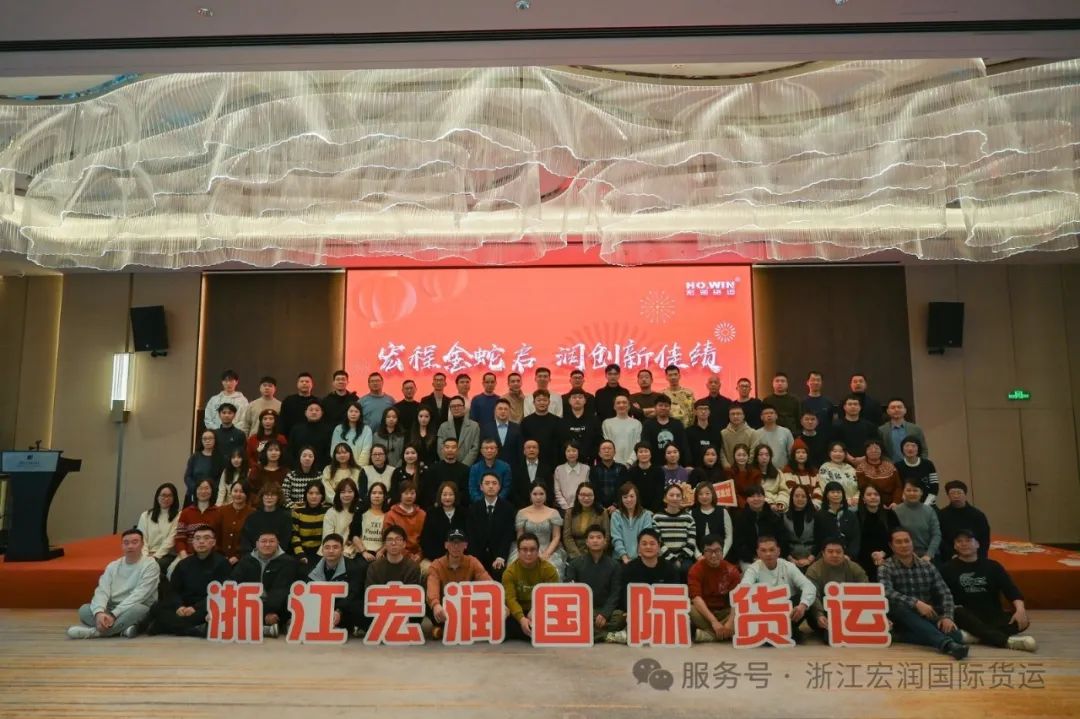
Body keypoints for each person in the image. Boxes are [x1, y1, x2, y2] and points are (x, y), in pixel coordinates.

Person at [879, 527, 967, 659]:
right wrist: (915, 603)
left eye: (907, 541)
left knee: (956, 636)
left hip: (926, 614)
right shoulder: (886, 567)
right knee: (901, 609)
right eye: (899, 542)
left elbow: (945, 592)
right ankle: (947, 645)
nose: (904, 545)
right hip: (900, 616)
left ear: (912, 542)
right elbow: (886, 591)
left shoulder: (927, 566)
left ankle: (900, 636)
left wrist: (947, 617)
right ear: (891, 546)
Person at [941, 530, 1036, 652]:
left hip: (991, 615)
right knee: (957, 611)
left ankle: (976, 636)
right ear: (955, 546)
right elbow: (941, 596)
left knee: (1023, 621)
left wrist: (1020, 610)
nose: (964, 544)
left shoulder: (993, 566)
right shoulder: (947, 568)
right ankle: (1005, 641)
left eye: (968, 540)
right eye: (959, 541)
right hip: (966, 615)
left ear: (977, 544)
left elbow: (1011, 590)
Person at [67, 529, 160, 639]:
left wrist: (114, 614)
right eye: (126, 543)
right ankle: (122, 628)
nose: (130, 546)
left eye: (135, 542)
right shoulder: (113, 566)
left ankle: (95, 632)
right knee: (84, 610)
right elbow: (102, 590)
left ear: (142, 544)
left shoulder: (151, 565)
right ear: (122, 546)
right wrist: (99, 613)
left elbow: (140, 595)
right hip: (111, 607)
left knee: (139, 610)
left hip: (136, 606)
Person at [147, 524, 230, 637]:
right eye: (197, 538)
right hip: (183, 607)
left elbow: (221, 593)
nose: (201, 542)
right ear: (192, 542)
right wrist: (179, 606)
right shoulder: (184, 564)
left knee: (216, 612)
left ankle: (165, 626)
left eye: (206, 538)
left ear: (213, 542)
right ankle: (195, 630)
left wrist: (195, 608)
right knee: (156, 607)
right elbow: (173, 590)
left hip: (205, 607)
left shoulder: (222, 563)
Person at [604, 528, 681, 644]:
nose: (648, 547)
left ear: (659, 546)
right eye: (644, 544)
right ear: (638, 547)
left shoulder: (669, 568)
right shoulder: (629, 568)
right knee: (617, 618)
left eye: (652, 543)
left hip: (661, 613)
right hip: (636, 613)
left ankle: (630, 633)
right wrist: (630, 611)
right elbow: (624, 595)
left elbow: (675, 594)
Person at [740, 535, 817, 637]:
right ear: (758, 553)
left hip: (787, 611)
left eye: (772, 550)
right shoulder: (753, 569)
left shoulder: (788, 566)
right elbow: (744, 588)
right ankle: (787, 632)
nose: (768, 554)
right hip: (764, 612)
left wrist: (803, 606)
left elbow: (809, 586)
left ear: (778, 551)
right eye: (763, 550)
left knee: (804, 600)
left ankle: (785, 631)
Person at [230, 530, 300, 638]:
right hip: (250, 603)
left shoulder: (288, 562)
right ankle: (265, 627)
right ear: (257, 544)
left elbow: (280, 591)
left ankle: (264, 625)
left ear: (278, 543)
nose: (267, 544)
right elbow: (234, 584)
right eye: (263, 541)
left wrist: (269, 611)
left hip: (276, 605)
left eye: (271, 541)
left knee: (287, 605)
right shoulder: (246, 560)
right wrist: (263, 614)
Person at [426, 528, 492, 639]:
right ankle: (443, 626)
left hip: (466, 607)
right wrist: (435, 604)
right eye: (452, 543)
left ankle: (447, 629)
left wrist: (500, 602)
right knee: (428, 600)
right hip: (444, 608)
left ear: (465, 545)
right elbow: (432, 587)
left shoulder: (472, 562)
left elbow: (487, 582)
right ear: (446, 545)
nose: (456, 547)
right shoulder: (436, 565)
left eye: (460, 543)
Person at [805, 537, 870, 641]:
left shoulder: (854, 568)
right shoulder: (814, 570)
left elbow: (867, 590)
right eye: (830, 552)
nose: (835, 555)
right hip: (824, 612)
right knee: (831, 637)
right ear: (823, 553)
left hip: (852, 612)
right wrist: (819, 615)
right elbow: (813, 595)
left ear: (844, 553)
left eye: (838, 552)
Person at [564, 524, 621, 639]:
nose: (595, 540)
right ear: (587, 542)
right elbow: (569, 589)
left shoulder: (614, 565)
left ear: (604, 541)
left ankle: (588, 632)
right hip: (583, 610)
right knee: (569, 617)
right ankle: (606, 635)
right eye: (591, 537)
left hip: (603, 609)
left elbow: (615, 593)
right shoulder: (575, 563)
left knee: (620, 617)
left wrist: (605, 613)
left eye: (599, 537)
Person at [306, 533, 368, 635]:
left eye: (335, 547)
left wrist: (339, 610)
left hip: (344, 608)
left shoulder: (354, 567)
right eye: (327, 547)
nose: (331, 551)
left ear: (342, 549)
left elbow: (354, 593)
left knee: (359, 607)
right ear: (322, 550)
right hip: (320, 608)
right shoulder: (313, 567)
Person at [503, 533, 560, 641]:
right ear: (518, 551)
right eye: (524, 550)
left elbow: (553, 597)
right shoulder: (509, 572)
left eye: (532, 549)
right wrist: (521, 619)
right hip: (518, 610)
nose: (528, 553)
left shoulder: (549, 570)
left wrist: (536, 610)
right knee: (502, 620)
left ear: (538, 551)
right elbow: (510, 599)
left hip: (539, 609)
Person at [687, 533, 741, 643]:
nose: (713, 555)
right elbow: (696, 599)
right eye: (709, 551)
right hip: (704, 613)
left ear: (722, 551)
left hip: (724, 612)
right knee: (687, 608)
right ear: (703, 552)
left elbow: (737, 600)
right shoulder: (695, 569)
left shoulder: (732, 570)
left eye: (717, 550)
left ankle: (709, 635)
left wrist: (730, 622)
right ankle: (725, 634)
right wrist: (714, 622)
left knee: (743, 612)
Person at [509, 482, 567, 578]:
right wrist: (526, 551)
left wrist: (546, 554)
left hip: (548, 549)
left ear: (546, 495)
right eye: (535, 494)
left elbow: (556, 536)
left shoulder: (553, 513)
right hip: (526, 549)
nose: (538, 497)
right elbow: (520, 536)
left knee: (553, 569)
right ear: (530, 495)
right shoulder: (522, 513)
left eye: (541, 494)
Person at [465, 472, 517, 580]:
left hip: (499, 557)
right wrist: (475, 559)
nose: (491, 486)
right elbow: (471, 535)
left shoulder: (508, 508)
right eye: (487, 483)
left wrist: (501, 556)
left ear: (499, 486)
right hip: (478, 556)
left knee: (500, 572)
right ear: (481, 487)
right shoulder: (473, 509)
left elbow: (508, 535)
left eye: (494, 483)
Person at [728, 485, 789, 569]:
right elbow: (738, 544)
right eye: (752, 496)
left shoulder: (774, 517)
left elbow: (782, 539)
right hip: (750, 559)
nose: (756, 499)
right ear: (747, 499)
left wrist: (773, 555)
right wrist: (753, 558)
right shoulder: (740, 518)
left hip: (774, 556)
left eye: (759, 496)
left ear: (764, 498)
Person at [855, 483, 900, 581]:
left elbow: (896, 537)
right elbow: (856, 542)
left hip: (889, 558)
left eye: (876, 494)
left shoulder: (890, 515)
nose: (873, 497)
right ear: (863, 498)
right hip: (863, 559)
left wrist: (884, 553)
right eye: (869, 494)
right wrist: (872, 555)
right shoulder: (856, 517)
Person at [653, 484, 698, 580]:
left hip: (684, 558)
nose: (675, 498)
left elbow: (691, 543)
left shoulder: (688, 518)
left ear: (682, 499)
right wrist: (672, 559)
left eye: (678, 496)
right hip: (663, 557)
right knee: (667, 569)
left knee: (686, 569)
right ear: (665, 498)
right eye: (671, 495)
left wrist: (680, 559)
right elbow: (657, 542)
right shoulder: (657, 518)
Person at [938, 480, 992, 562]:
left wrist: (980, 557)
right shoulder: (942, 515)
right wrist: (951, 554)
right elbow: (939, 538)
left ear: (965, 494)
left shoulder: (977, 515)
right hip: (950, 557)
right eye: (952, 493)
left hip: (975, 557)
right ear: (948, 495)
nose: (956, 496)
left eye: (959, 493)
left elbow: (984, 538)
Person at [893, 478, 942, 561]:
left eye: (915, 490)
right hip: (904, 555)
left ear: (921, 492)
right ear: (903, 492)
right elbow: (894, 536)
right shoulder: (896, 511)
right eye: (908, 490)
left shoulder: (929, 510)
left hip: (928, 554)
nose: (912, 493)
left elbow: (936, 534)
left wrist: (929, 555)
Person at [419, 482, 468, 563]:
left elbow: (468, 538)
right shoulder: (432, 513)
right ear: (440, 496)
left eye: (451, 494)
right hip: (436, 558)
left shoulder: (463, 513)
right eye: (444, 495)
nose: (447, 498)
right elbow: (426, 540)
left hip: (461, 557)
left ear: (456, 496)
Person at [174, 478, 219, 565]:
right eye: (200, 488)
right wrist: (184, 557)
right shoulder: (186, 512)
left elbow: (220, 539)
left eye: (206, 488)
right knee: (173, 569)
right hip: (187, 555)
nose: (203, 491)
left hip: (211, 556)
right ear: (195, 491)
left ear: (212, 491)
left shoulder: (219, 512)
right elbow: (180, 539)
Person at [136, 483, 180, 572]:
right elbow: (141, 538)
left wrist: (155, 557)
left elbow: (171, 540)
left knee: (153, 567)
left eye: (170, 496)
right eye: (163, 495)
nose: (166, 498)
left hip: (166, 555)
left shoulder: (178, 516)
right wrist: (145, 556)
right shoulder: (146, 515)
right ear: (157, 497)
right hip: (145, 553)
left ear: (174, 498)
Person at [813, 481, 861, 562]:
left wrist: (849, 556)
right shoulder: (819, 515)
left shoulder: (850, 515)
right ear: (826, 495)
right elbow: (818, 539)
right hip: (826, 557)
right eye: (832, 492)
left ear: (843, 494)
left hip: (848, 557)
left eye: (838, 492)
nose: (836, 495)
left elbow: (855, 538)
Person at [561, 481, 610, 559]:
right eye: (583, 495)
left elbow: (606, 537)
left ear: (594, 496)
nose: (586, 498)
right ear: (577, 496)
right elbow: (567, 537)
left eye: (590, 495)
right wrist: (578, 556)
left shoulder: (602, 512)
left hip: (597, 553)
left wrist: (596, 554)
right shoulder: (570, 513)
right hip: (575, 554)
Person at [384, 480, 427, 565]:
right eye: (406, 493)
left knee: (427, 568)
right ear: (400, 495)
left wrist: (420, 554)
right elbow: (389, 539)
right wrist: (408, 555)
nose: (409, 496)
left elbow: (427, 538)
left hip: (420, 555)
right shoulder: (391, 515)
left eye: (412, 493)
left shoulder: (422, 514)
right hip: (397, 554)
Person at [240, 482, 292, 553]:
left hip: (278, 555)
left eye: (273, 495)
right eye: (266, 495)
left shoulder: (286, 517)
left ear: (278, 498)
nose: (269, 497)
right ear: (262, 497)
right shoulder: (252, 517)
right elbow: (246, 540)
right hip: (255, 555)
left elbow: (285, 542)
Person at [610, 483, 654, 564]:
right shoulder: (616, 515)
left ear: (637, 497)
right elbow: (616, 538)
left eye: (632, 496)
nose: (629, 500)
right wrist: (624, 557)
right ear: (621, 499)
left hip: (641, 559)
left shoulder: (646, 515)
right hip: (620, 559)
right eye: (625, 497)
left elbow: (645, 538)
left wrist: (639, 557)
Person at [642, 395, 691, 466]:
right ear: (655, 407)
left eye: (666, 406)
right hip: (654, 465)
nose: (663, 408)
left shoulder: (677, 424)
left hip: (675, 464)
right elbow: (645, 445)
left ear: (670, 408)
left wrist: (687, 464)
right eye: (660, 405)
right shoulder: (648, 424)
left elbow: (684, 445)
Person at [213, 479, 253, 566]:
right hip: (219, 559)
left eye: (242, 492)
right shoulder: (221, 511)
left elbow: (252, 540)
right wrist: (220, 556)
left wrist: (238, 557)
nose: (238, 494)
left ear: (247, 494)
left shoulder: (252, 514)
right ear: (231, 492)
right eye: (235, 491)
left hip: (243, 561)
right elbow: (214, 535)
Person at [521, 389, 565, 468]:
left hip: (553, 463)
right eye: (539, 400)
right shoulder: (526, 421)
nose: (542, 403)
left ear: (549, 402)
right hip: (531, 462)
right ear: (534, 402)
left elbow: (560, 444)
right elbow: (522, 444)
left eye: (545, 400)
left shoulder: (558, 421)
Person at [290, 480, 329, 565]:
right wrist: (300, 554)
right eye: (310, 493)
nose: (314, 496)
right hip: (302, 552)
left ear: (322, 495)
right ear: (306, 494)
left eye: (317, 493)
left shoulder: (328, 511)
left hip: (322, 552)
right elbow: (295, 536)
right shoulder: (297, 511)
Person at [424, 438, 469, 509]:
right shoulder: (433, 469)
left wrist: (454, 502)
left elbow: (465, 492)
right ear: (442, 450)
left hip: (458, 507)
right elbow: (429, 490)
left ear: (458, 450)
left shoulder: (465, 470)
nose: (450, 450)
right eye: (447, 447)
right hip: (438, 506)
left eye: (453, 447)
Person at [691, 482, 732, 559]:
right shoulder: (692, 513)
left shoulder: (723, 511)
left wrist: (722, 554)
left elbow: (729, 536)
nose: (704, 496)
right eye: (700, 494)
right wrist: (698, 556)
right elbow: (691, 538)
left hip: (722, 555)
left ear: (712, 494)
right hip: (699, 556)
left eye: (707, 493)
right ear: (696, 496)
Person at [855, 438, 902, 507]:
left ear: (881, 451)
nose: (874, 451)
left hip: (892, 503)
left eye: (877, 449)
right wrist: (878, 504)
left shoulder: (890, 466)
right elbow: (863, 489)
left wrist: (896, 502)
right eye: (870, 449)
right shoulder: (861, 468)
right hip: (871, 503)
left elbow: (898, 487)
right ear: (865, 452)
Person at [879, 397, 928, 463]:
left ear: (905, 410)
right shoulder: (881, 430)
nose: (896, 410)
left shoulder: (915, 429)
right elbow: (881, 451)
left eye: (899, 407)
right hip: (891, 466)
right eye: (893, 407)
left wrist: (921, 464)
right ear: (888, 411)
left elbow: (923, 450)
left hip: (912, 465)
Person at [833, 396, 878, 464]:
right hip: (842, 462)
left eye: (855, 404)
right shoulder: (836, 426)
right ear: (844, 407)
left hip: (866, 461)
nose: (853, 406)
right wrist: (847, 457)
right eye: (850, 404)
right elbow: (834, 443)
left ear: (860, 407)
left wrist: (865, 457)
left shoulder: (870, 426)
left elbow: (875, 443)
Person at [436, 396, 480, 466]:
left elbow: (475, 448)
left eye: (459, 406)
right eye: (453, 406)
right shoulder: (443, 426)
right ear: (450, 409)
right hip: (447, 466)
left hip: (467, 467)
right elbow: (440, 448)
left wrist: (463, 466)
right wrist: (448, 463)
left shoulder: (474, 426)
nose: (456, 408)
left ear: (464, 408)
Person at [288, 402, 332, 471]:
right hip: (298, 469)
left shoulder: (328, 430)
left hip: (321, 469)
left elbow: (328, 452)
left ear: (322, 413)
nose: (314, 412)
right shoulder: (296, 429)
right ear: (305, 413)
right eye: (311, 410)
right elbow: (291, 450)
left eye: (317, 410)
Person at [350, 481, 388, 562]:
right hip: (362, 552)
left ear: (384, 496)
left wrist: (382, 551)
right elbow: (354, 535)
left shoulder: (389, 515)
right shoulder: (361, 513)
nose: (377, 496)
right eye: (374, 493)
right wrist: (364, 552)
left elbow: (391, 537)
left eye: (380, 493)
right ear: (369, 495)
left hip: (381, 553)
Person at [323, 478, 362, 558]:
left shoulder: (359, 511)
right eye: (343, 492)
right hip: (334, 552)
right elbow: (328, 537)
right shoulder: (331, 513)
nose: (346, 495)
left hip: (357, 550)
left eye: (350, 492)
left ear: (355, 493)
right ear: (338, 494)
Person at [468, 438, 513, 504]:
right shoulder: (475, 468)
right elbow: (473, 489)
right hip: (479, 504)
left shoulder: (505, 467)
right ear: (481, 451)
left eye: (492, 448)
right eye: (486, 448)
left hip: (500, 504)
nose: (489, 450)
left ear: (497, 451)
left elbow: (506, 488)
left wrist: (495, 502)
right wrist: (483, 503)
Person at [561, 390, 600, 466]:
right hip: (567, 463)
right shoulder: (562, 421)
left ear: (585, 401)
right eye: (574, 397)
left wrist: (591, 455)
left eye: (580, 397)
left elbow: (598, 440)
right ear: (569, 401)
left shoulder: (594, 420)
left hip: (588, 462)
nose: (577, 399)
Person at [896, 436, 939, 505]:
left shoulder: (928, 464)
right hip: (906, 504)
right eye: (907, 446)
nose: (910, 448)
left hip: (927, 503)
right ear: (902, 449)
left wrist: (926, 505)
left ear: (918, 448)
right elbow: (897, 488)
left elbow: (934, 486)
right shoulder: (897, 466)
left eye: (913, 446)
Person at [602, 395, 643, 467]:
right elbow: (607, 443)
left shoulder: (637, 423)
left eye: (624, 402)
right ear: (614, 407)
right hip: (612, 465)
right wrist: (614, 462)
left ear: (629, 406)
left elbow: (638, 444)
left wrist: (630, 462)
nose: (621, 405)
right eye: (618, 403)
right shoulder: (607, 423)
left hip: (632, 465)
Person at [184, 430, 222, 506]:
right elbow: (187, 477)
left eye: (210, 438)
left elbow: (221, 479)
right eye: (204, 439)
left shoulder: (221, 458)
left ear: (215, 440)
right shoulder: (195, 457)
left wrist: (208, 490)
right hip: (193, 494)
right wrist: (197, 489)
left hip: (211, 496)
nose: (207, 441)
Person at [784, 485, 817, 571]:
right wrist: (791, 560)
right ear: (792, 498)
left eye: (803, 496)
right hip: (790, 560)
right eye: (797, 496)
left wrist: (809, 559)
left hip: (812, 559)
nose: (800, 499)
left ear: (808, 498)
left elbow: (820, 540)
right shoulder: (784, 517)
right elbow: (782, 541)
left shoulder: (816, 516)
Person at [512, 439, 554, 508]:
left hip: (542, 507)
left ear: (538, 451)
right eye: (528, 447)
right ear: (524, 451)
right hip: (521, 507)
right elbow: (514, 491)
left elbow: (550, 490)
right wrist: (524, 507)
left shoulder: (547, 468)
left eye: (534, 447)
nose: (531, 450)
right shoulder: (516, 468)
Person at [481, 398, 523, 465]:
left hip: (513, 467)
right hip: (492, 467)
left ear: (509, 412)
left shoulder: (517, 428)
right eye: (500, 409)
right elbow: (482, 450)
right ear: (495, 411)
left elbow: (520, 450)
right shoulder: (486, 428)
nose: (503, 411)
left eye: (506, 409)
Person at [751, 406, 793, 473]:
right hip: (763, 472)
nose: (769, 415)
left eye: (771, 413)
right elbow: (754, 454)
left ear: (776, 416)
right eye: (766, 413)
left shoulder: (786, 432)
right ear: (761, 417)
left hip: (783, 471)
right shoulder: (756, 433)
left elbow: (792, 453)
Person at [332, 402, 374, 468]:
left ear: (360, 414)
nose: (353, 414)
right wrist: (343, 466)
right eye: (351, 411)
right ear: (346, 413)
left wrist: (358, 468)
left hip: (360, 468)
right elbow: (334, 450)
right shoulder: (338, 429)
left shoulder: (367, 430)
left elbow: (366, 451)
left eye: (356, 411)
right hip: (341, 467)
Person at [818, 441, 859, 507]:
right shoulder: (825, 468)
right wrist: (844, 500)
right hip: (835, 504)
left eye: (841, 451)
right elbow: (825, 488)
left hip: (855, 503)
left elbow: (860, 485)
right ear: (829, 453)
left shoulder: (850, 468)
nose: (838, 454)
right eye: (835, 451)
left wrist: (856, 497)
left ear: (845, 454)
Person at [783, 439, 822, 508]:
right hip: (795, 505)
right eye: (798, 452)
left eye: (804, 452)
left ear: (807, 455)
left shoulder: (814, 472)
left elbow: (818, 488)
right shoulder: (787, 470)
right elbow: (791, 489)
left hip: (814, 505)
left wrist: (815, 503)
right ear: (793, 455)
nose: (801, 455)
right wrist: (804, 501)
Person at [590, 439, 628, 509]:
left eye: (609, 448)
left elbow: (623, 489)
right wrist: (600, 506)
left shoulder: (622, 468)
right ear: (599, 453)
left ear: (614, 452)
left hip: (619, 507)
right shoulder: (594, 470)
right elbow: (594, 490)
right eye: (604, 449)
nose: (607, 451)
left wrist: (615, 505)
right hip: (599, 508)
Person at [626, 442, 664, 511]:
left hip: (655, 509)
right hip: (636, 509)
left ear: (650, 454)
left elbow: (660, 493)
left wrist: (652, 510)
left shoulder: (658, 471)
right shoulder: (631, 472)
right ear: (636, 455)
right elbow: (631, 492)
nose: (643, 454)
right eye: (640, 452)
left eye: (646, 451)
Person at [279, 372, 319, 438]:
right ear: (297, 384)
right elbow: (282, 420)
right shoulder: (288, 400)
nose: (304, 383)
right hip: (290, 437)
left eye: (307, 381)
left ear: (312, 385)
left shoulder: (317, 401)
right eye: (302, 381)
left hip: (313, 436)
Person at [553, 441, 590, 511]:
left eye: (574, 451)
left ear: (578, 452)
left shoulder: (586, 469)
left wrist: (578, 505)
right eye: (568, 451)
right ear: (564, 453)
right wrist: (566, 507)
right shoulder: (559, 469)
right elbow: (557, 491)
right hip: (563, 508)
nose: (571, 453)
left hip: (582, 507)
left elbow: (587, 490)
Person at [750, 444, 787, 512]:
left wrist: (781, 503)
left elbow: (784, 490)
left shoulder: (778, 473)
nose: (764, 457)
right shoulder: (751, 473)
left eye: (767, 455)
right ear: (756, 457)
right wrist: (770, 503)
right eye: (761, 454)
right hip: (760, 506)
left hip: (777, 503)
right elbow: (753, 493)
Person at [686, 399, 722, 468]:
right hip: (695, 468)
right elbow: (687, 452)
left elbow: (719, 451)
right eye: (700, 409)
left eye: (706, 409)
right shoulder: (688, 432)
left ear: (709, 412)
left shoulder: (716, 432)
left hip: (713, 468)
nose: (703, 411)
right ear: (695, 412)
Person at [212, 403, 247, 468]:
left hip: (233, 468)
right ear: (219, 415)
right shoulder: (214, 434)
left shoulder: (240, 434)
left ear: (234, 415)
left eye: (230, 413)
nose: (226, 415)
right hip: (215, 467)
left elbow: (242, 454)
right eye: (224, 413)